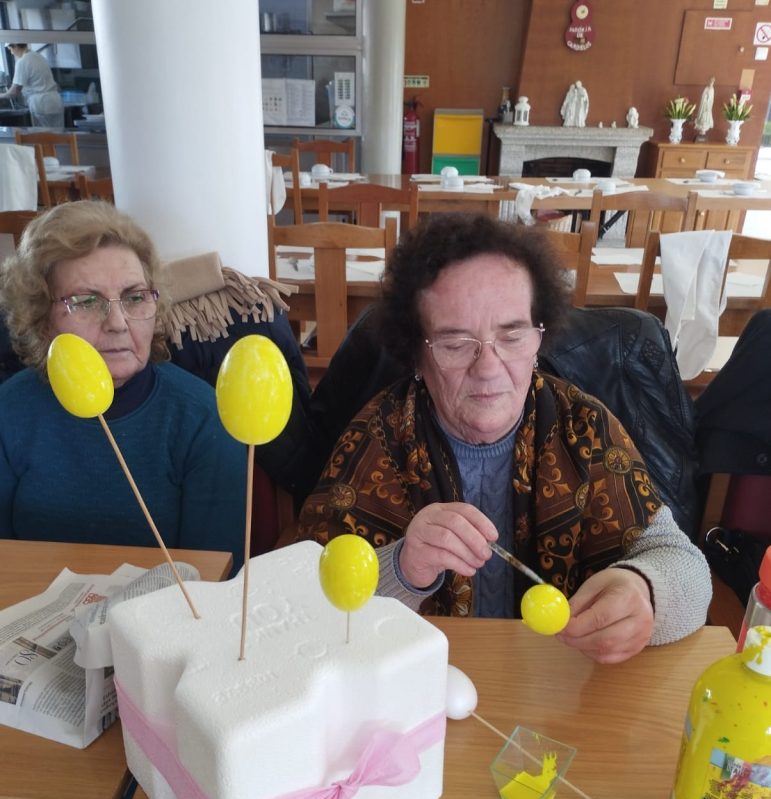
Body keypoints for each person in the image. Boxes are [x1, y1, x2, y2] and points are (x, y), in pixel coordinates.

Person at [297, 213, 711, 664]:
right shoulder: (378, 438)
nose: (488, 368)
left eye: (512, 336)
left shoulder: (583, 427)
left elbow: (685, 567)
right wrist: (401, 568)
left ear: (539, 339)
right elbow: (305, 605)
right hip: (421, 680)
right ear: (416, 353)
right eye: (456, 344)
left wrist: (644, 589)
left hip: (559, 678)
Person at [0, 201, 247, 571]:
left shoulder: (203, 419)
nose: (117, 322)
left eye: (135, 298)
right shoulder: (9, 411)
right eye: (86, 301)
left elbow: (215, 577)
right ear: (41, 318)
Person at [0, 43, 64, 128]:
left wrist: (2, 95)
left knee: (44, 134)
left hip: (41, 104)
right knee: (59, 133)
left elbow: (14, 91)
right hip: (55, 101)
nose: (12, 53)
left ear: (15, 46)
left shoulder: (22, 61)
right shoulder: (39, 56)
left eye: (10, 49)